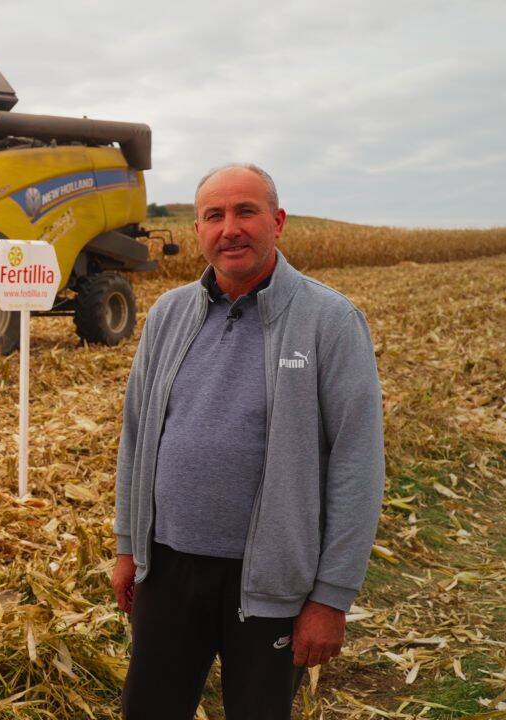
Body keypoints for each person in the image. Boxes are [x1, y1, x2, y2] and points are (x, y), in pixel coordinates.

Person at [110, 164, 385, 718]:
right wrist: (127, 546)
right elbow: (136, 434)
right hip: (167, 569)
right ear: (198, 231)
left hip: (272, 581)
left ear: (277, 222)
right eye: (214, 215)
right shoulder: (167, 315)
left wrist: (331, 597)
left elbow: (357, 465)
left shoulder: (329, 321)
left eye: (246, 212)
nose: (229, 228)